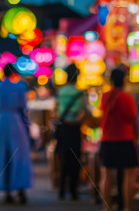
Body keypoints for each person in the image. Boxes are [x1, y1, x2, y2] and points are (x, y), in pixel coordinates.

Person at [0, 63, 32, 204]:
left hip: (1, 122)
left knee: (2, 156)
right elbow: (24, 107)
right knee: (20, 156)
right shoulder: (20, 87)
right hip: (17, 122)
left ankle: (6, 191)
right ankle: (21, 189)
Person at [100, 68, 138, 211]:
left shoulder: (105, 96)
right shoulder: (127, 97)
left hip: (107, 140)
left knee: (106, 174)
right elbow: (133, 120)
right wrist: (136, 139)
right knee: (129, 174)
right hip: (125, 139)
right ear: (124, 80)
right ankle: (127, 208)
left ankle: (106, 207)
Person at [54, 63, 86, 200]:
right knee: (75, 159)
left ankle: (61, 189)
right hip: (74, 129)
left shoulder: (60, 92)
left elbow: (54, 110)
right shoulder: (80, 93)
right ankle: (73, 191)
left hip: (62, 128)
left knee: (63, 158)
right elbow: (83, 113)